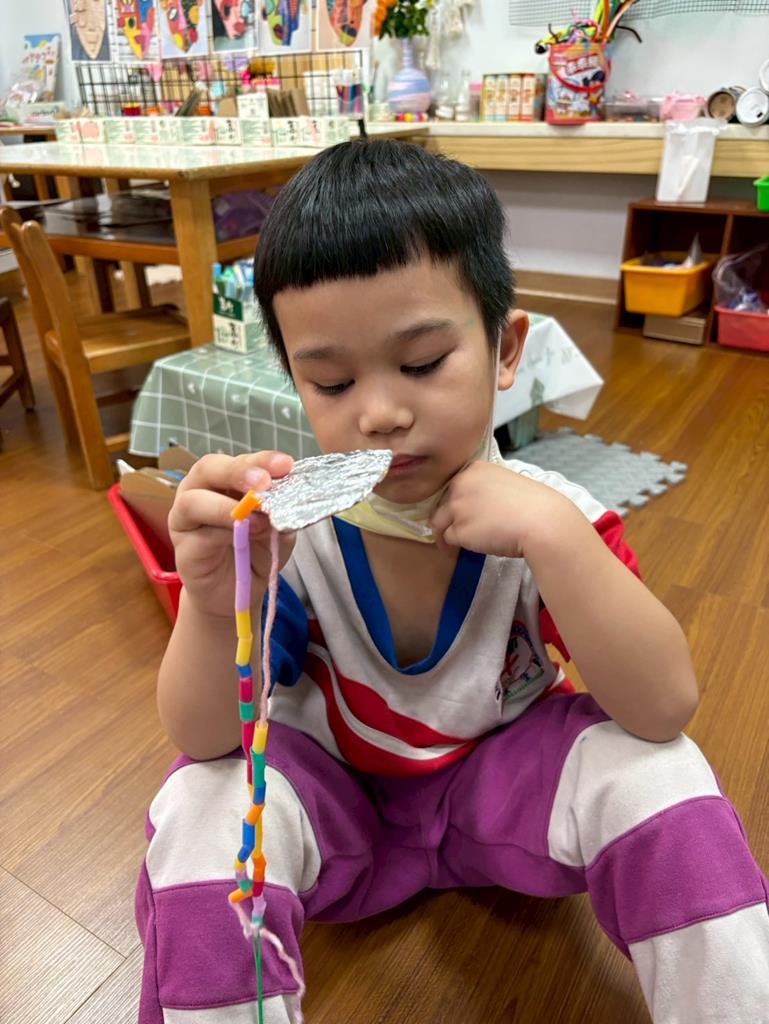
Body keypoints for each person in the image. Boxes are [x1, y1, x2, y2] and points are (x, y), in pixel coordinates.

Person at [135, 140, 769, 1024]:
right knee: (198, 801)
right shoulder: (289, 534)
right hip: (337, 810)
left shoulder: (554, 519)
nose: (380, 412)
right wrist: (213, 605)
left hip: (499, 801)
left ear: (505, 349)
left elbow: (662, 709)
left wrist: (555, 540)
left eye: (423, 362)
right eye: (331, 381)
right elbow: (204, 738)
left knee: (661, 773)